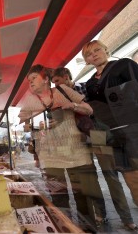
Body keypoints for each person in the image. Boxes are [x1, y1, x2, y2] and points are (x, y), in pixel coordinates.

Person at [20, 64, 104, 225]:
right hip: (51, 155)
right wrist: (33, 125)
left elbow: (89, 109)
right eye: (28, 80)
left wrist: (72, 106)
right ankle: (64, 227)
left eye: (33, 78)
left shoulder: (62, 90)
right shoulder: (30, 101)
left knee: (81, 197)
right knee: (58, 196)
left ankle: (86, 228)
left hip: (74, 152)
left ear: (45, 79)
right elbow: (23, 123)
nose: (30, 82)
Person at [82, 40, 138, 230]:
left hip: (133, 129)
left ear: (106, 50)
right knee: (130, 179)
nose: (94, 55)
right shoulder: (90, 84)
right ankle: (130, 215)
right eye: (89, 54)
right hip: (112, 136)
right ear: (87, 61)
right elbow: (94, 112)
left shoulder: (124, 65)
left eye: (97, 50)